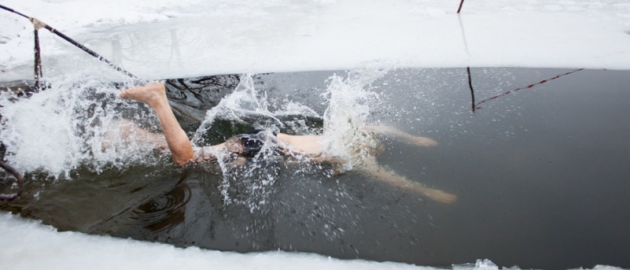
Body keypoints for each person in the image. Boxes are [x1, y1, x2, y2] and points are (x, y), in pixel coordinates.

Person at [118, 82, 457, 204]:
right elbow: (393, 180)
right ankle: (157, 99)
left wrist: (412, 137)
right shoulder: (352, 155)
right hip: (262, 149)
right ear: (368, 150)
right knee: (187, 162)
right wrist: (430, 193)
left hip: (263, 140)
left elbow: (378, 126)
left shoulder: (342, 134)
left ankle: (127, 133)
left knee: (200, 153)